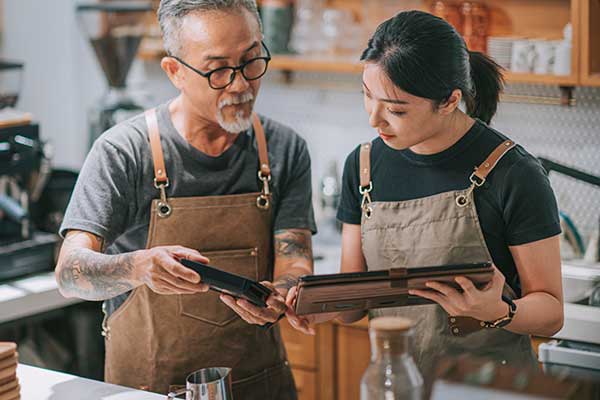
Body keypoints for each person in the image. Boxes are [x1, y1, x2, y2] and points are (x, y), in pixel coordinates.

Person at [55, 1, 315, 398]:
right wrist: (138, 267)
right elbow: (69, 273)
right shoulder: (124, 152)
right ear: (174, 71)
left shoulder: (283, 149)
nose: (241, 85)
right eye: (218, 70)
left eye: (251, 61)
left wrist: (281, 294)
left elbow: (294, 255)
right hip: (149, 390)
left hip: (260, 386)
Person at [286, 10, 563, 378]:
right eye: (367, 96)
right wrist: (320, 307)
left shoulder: (513, 173)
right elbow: (356, 300)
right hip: (397, 379)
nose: (374, 119)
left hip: (488, 386)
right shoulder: (364, 166)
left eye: (396, 109)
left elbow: (551, 314)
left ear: (449, 101)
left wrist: (498, 311)